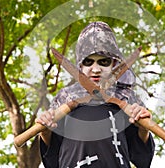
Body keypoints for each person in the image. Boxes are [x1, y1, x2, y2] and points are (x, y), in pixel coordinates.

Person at [36, 21, 155, 168]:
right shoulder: (65, 97)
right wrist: (45, 133)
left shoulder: (127, 98)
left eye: (103, 62)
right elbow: (53, 159)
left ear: (114, 63)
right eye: (88, 62)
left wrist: (144, 129)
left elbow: (141, 159)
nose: (96, 69)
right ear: (80, 65)